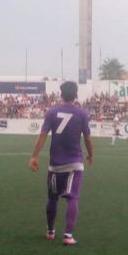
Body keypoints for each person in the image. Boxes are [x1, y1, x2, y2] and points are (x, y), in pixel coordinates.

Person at [28, 81, 93, 246]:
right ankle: (68, 235)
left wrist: (34, 156)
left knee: (52, 198)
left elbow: (42, 135)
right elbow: (87, 138)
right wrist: (91, 155)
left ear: (61, 94)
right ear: (76, 94)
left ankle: (50, 232)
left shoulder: (52, 112)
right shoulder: (82, 114)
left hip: (55, 164)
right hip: (74, 163)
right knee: (73, 198)